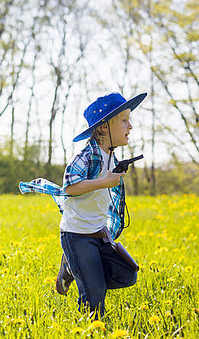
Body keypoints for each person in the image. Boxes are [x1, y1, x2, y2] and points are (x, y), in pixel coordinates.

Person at [19, 92, 146, 317]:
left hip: (99, 232)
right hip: (77, 234)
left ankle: (73, 268)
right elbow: (70, 187)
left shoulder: (111, 156)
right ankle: (91, 328)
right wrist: (104, 182)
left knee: (127, 275)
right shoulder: (86, 156)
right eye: (124, 120)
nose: (131, 126)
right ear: (104, 127)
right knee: (94, 293)